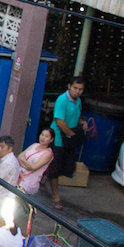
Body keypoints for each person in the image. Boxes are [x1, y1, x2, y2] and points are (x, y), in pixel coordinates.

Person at [47, 75, 86, 210]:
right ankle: (55, 196)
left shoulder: (78, 101)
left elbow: (77, 116)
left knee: (68, 167)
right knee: (55, 168)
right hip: (59, 138)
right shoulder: (62, 100)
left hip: (69, 138)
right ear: (69, 86)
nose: (78, 91)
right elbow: (60, 121)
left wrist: (82, 123)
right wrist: (72, 135)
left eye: (80, 89)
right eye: (75, 88)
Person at [17, 128, 55, 195]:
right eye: (42, 135)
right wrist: (27, 165)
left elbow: (34, 167)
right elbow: (19, 157)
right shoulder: (34, 145)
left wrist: (23, 160)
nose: (43, 138)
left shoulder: (48, 153)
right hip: (19, 175)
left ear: (51, 139)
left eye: (46, 136)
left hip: (30, 182)